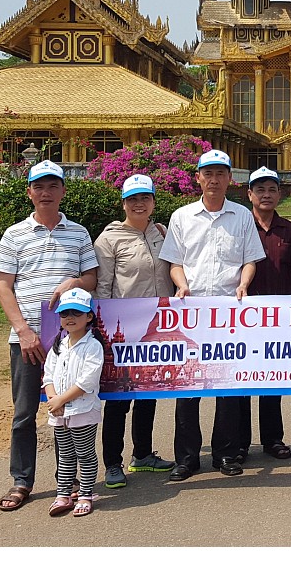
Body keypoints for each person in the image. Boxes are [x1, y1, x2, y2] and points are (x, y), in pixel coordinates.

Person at [0, 160, 99, 513]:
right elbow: (4, 286)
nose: (46, 192)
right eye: (39, 187)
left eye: (53, 186)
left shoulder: (79, 233)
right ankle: (22, 480)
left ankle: (66, 483)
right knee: (24, 413)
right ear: (29, 193)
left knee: (67, 410)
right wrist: (23, 331)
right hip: (27, 339)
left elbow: (92, 280)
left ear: (63, 191)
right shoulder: (14, 234)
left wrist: (74, 282)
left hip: (70, 341)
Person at [159, 149, 266, 479]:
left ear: (229, 179)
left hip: (229, 313)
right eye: (209, 173)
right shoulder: (182, 217)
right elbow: (175, 262)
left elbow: (250, 259)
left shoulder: (242, 216)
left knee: (227, 387)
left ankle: (226, 454)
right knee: (188, 387)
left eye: (221, 173)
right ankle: (187, 458)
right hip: (191, 313)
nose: (215, 179)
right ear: (199, 178)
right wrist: (180, 286)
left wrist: (244, 285)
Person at [94, 174, 176, 489]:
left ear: (153, 201)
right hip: (123, 330)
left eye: (144, 198)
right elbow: (102, 288)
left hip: (156, 328)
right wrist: (101, 331)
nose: (139, 204)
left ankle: (142, 454)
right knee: (118, 399)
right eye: (133, 199)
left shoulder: (161, 233)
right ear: (124, 203)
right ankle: (112, 463)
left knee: (148, 394)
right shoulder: (109, 239)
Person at [245, 166, 291, 461]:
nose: (266, 195)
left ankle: (272, 438)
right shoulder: (240, 225)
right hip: (242, 315)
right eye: (260, 190)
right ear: (249, 194)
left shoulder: (288, 229)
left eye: (272, 190)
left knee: (271, 379)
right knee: (239, 378)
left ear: (280, 194)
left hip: (278, 314)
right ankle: (238, 442)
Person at [43, 287, 107, 517]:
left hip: (82, 410)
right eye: (64, 313)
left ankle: (86, 494)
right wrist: (54, 400)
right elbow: (48, 376)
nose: (69, 318)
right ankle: (63, 493)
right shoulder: (58, 346)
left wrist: (61, 399)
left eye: (76, 313)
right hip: (59, 412)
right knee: (65, 455)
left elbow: (87, 381)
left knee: (85, 454)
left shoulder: (93, 346)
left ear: (89, 316)